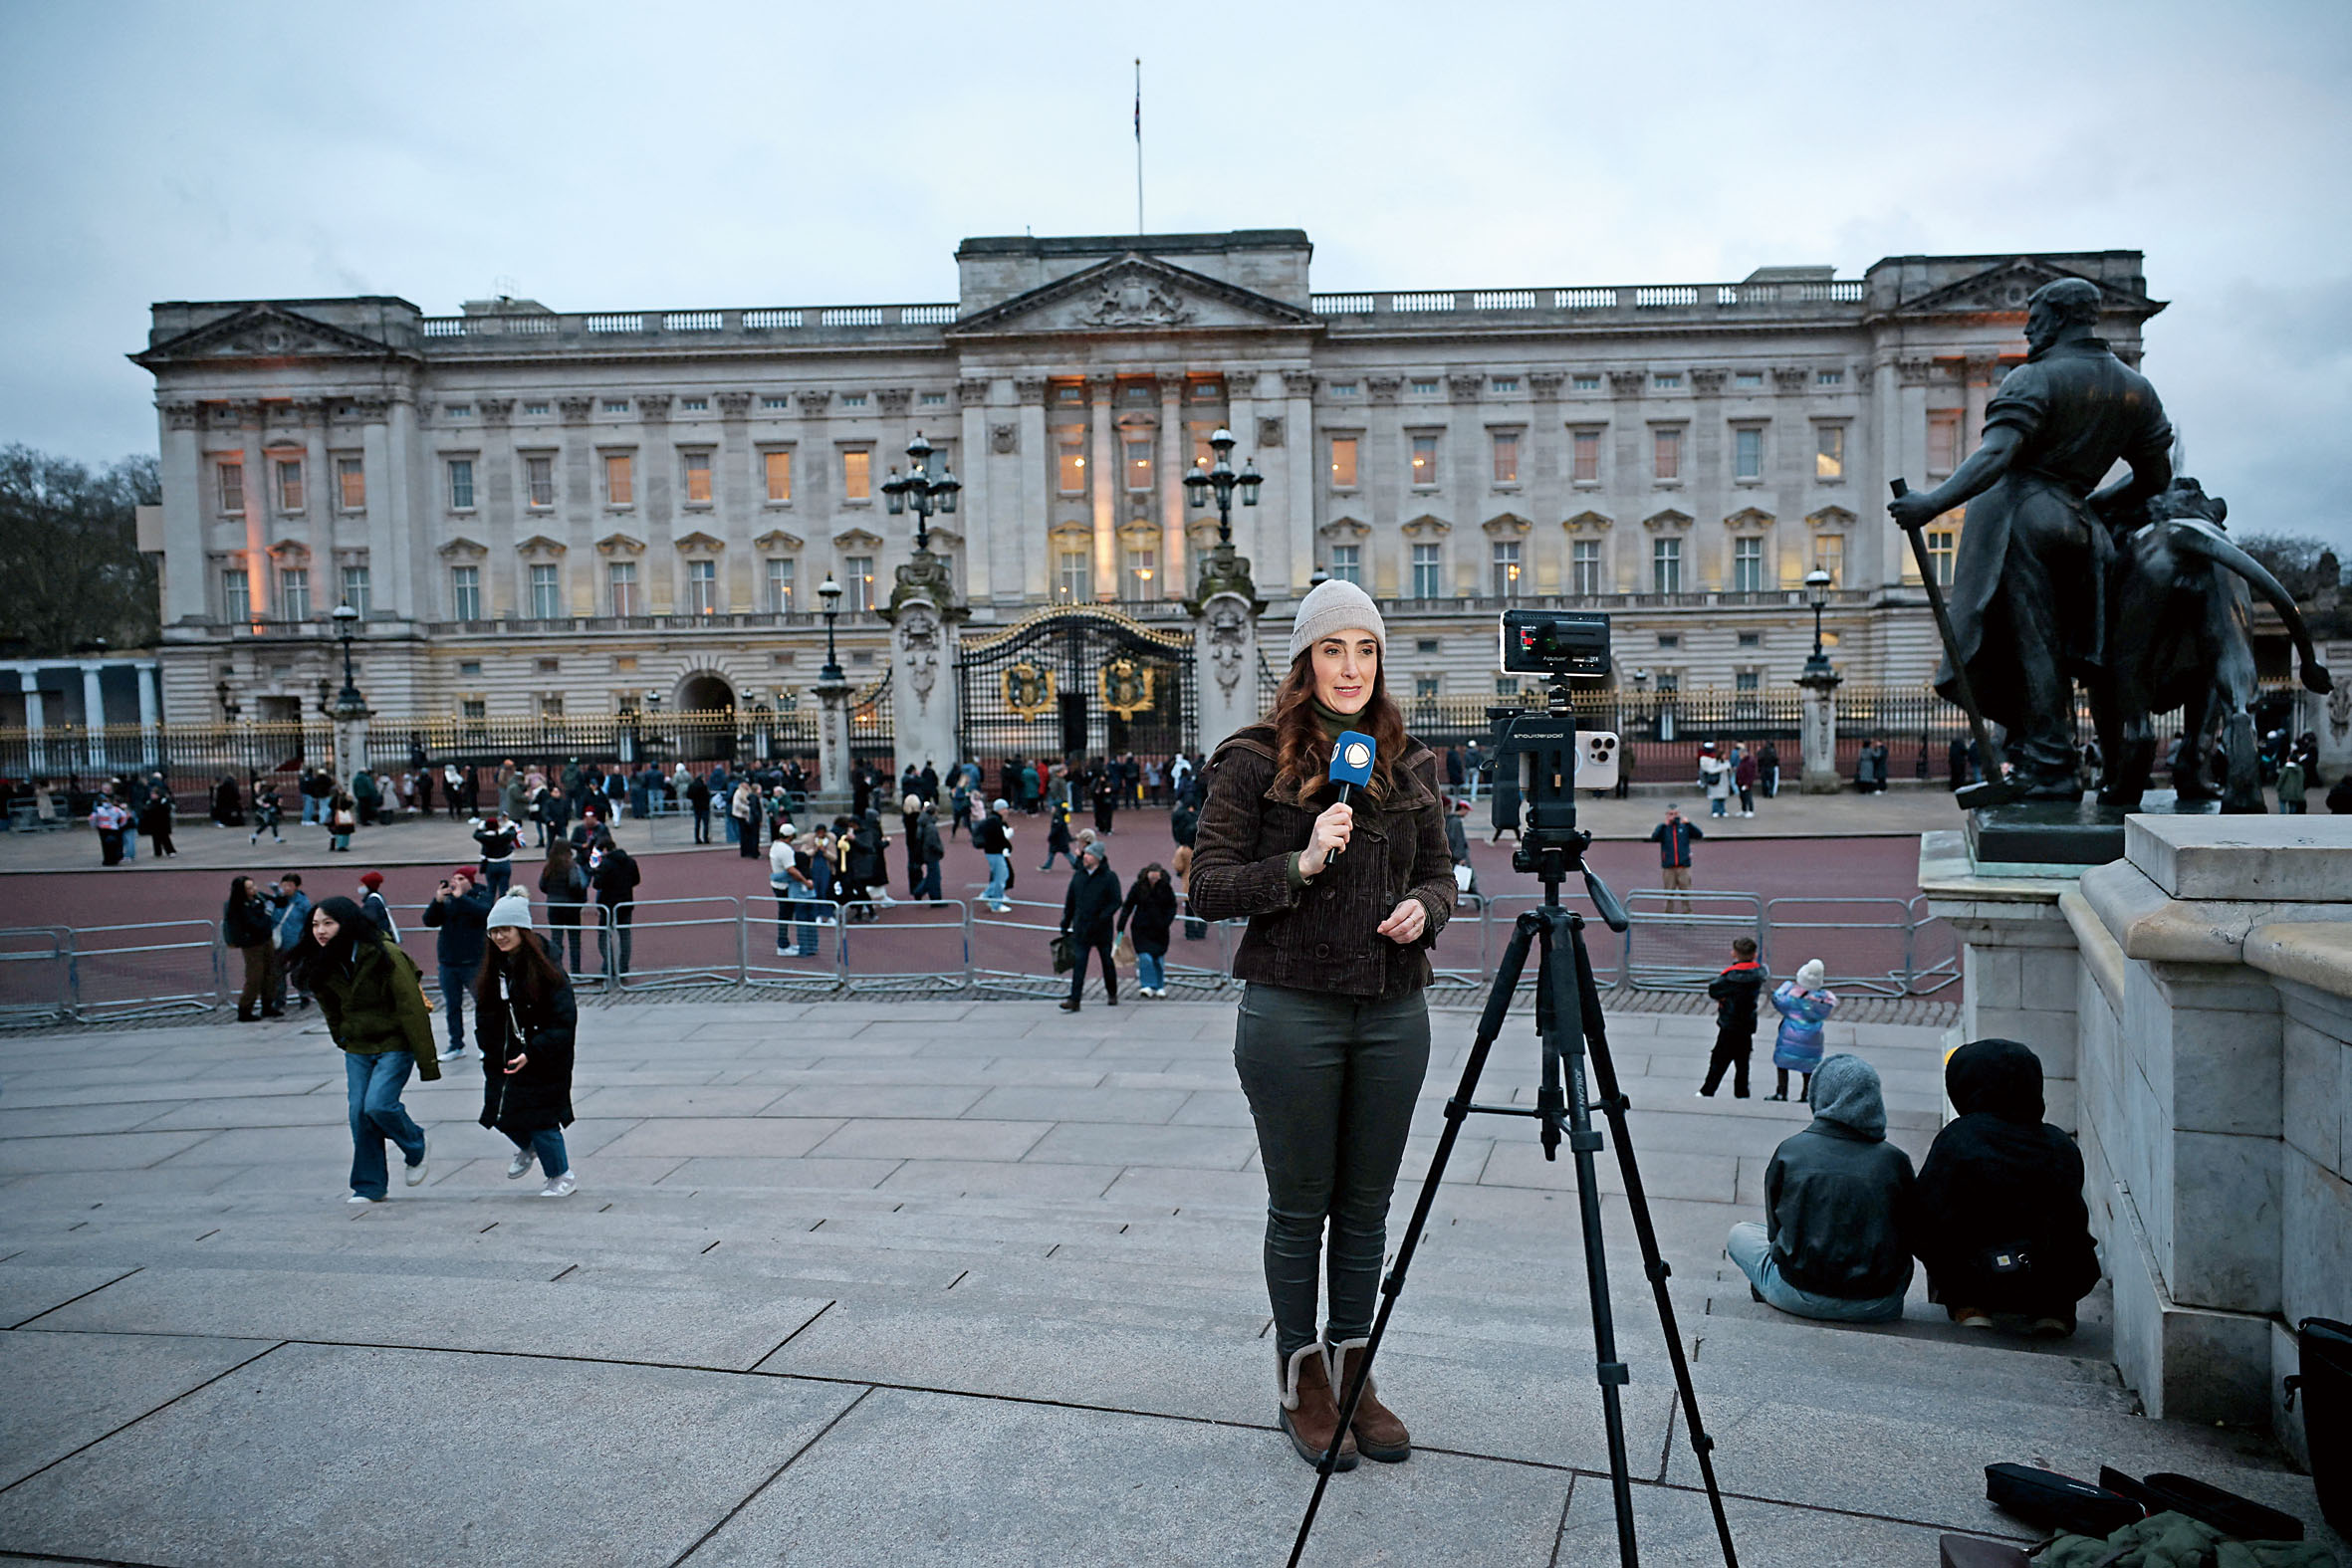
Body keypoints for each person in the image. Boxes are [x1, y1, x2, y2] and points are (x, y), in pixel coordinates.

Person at [1189, 576, 1456, 1471]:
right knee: (1301, 1207)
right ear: (1306, 659)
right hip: (1292, 1009)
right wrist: (1299, 861)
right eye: (1334, 648)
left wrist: (1425, 907)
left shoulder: (1411, 762)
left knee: (1368, 1209)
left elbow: (1444, 876)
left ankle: (1356, 1366)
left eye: (1365, 649)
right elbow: (1208, 883)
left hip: (1392, 1012)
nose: (1351, 667)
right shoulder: (1254, 759)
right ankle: (1301, 1377)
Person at [1888, 276, 2175, 800]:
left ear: (2062, 318)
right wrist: (2092, 505)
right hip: (2083, 529)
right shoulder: (2137, 389)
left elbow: (1997, 457)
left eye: (2036, 316)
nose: (2028, 326)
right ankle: (2061, 759)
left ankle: (2050, 767)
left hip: (2019, 517)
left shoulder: (2033, 378)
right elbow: (2156, 480)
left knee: (2032, 647)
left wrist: (1930, 504)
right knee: (2077, 651)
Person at [1913, 1039, 2100, 1336]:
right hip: (2050, 1275)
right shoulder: (2060, 1144)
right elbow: (2072, 1220)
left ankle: (1969, 1306)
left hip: (1978, 1274)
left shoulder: (1959, 1138)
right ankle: (2053, 1311)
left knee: (1936, 1227)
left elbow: (1925, 1214)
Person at [1726, 1053, 1915, 1323]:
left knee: (1740, 1234)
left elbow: (1774, 1231)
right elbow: (1909, 1233)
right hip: (1877, 1304)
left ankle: (1771, 1290)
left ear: (1821, 1095)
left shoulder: (1791, 1151)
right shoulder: (1895, 1161)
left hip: (1798, 1293)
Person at [296, 895, 439, 1204]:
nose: (320, 931)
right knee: (358, 1114)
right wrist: (343, 1038)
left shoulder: (384, 953)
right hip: (358, 1048)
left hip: (395, 1043)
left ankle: (416, 1143)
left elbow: (411, 1008)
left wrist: (427, 1061)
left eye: (328, 923)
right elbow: (331, 1009)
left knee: (378, 1105)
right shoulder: (323, 962)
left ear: (346, 923)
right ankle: (369, 1186)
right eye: (315, 924)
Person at [475, 894, 579, 1200]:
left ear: (523, 930)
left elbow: (563, 1020)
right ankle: (528, 1147)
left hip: (541, 1056)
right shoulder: (494, 969)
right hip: (503, 1055)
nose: (499, 936)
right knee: (499, 1113)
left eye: (506, 929)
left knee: (542, 1119)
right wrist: (487, 1049)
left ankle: (561, 1175)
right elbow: (485, 1014)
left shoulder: (547, 969)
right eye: (494, 931)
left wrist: (533, 1052)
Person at [422, 867, 493, 1059]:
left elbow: (485, 913)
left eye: (461, 878)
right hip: (448, 962)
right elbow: (429, 921)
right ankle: (455, 1045)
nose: (456, 882)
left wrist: (462, 898)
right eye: (454, 878)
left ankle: (487, 1044)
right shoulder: (448, 899)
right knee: (453, 1006)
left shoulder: (482, 894)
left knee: (483, 1004)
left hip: (473, 962)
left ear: (469, 881)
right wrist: (437, 901)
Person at [1058, 841, 1123, 1011]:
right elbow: (1070, 901)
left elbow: (1116, 901)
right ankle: (1075, 999)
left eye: (1089, 854)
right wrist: (1065, 922)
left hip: (1101, 928)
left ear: (1098, 858)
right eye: (1085, 854)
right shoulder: (1078, 876)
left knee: (1107, 962)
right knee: (1079, 963)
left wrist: (1103, 916)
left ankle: (1112, 993)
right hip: (1082, 927)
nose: (1085, 857)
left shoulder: (1109, 877)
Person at [1698, 935, 1764, 1098]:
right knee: (1743, 1063)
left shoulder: (1729, 977)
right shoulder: (1758, 974)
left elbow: (1714, 990)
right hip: (1747, 1024)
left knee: (1718, 1060)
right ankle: (1742, 1092)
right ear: (1754, 954)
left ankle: (1708, 1090)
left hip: (1729, 1023)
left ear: (1734, 954)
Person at [1768, 958, 1837, 1102]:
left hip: (1790, 1034)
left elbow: (1777, 999)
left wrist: (1787, 985)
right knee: (1809, 1068)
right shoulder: (1823, 1001)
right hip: (1813, 1037)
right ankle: (1806, 1094)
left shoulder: (1791, 997)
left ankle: (1781, 1092)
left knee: (1782, 1064)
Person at [223, 875, 284, 1022]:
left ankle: (267, 1005)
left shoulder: (259, 897)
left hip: (265, 939)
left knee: (270, 973)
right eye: (249, 888)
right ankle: (245, 1009)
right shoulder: (238, 906)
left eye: (253, 886)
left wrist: (278, 893)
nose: (254, 889)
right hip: (251, 944)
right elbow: (255, 924)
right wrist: (267, 913)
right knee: (255, 976)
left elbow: (279, 902)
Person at [1118, 861, 1178, 999]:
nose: (1154, 880)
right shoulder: (1138, 887)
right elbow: (1128, 905)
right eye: (1152, 877)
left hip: (1160, 929)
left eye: (1156, 878)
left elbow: (1172, 906)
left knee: (1158, 958)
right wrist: (1121, 924)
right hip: (1141, 928)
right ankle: (1147, 985)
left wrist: (1166, 921)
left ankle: (1159, 986)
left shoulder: (1166, 888)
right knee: (1145, 957)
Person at [590, 838, 640, 976]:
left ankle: (609, 965)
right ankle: (624, 966)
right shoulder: (630, 862)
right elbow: (636, 880)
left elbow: (597, 884)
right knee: (625, 935)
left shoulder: (605, 864)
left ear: (605, 850)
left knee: (604, 935)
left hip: (608, 904)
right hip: (625, 902)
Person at [539, 840, 588, 972]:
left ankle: (557, 968)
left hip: (554, 905)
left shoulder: (548, 866)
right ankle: (576, 969)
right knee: (574, 939)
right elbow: (574, 883)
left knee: (556, 938)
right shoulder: (571, 866)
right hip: (570, 906)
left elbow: (542, 885)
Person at [1649, 804, 1702, 914]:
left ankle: (1688, 915)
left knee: (1686, 893)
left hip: (1683, 867)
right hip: (1669, 867)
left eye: (1676, 814)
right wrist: (1663, 825)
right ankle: (1668, 914)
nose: (1674, 816)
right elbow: (1654, 838)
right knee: (1669, 893)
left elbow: (1699, 835)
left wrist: (1689, 823)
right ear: (1667, 815)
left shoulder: (1685, 827)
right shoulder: (1663, 828)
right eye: (1671, 814)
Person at [271, 873, 312, 1011]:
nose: (286, 887)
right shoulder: (276, 900)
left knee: (297, 973)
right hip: (278, 944)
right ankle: (279, 1000)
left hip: (296, 944)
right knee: (278, 973)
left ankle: (304, 995)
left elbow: (309, 923)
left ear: (297, 887)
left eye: (290, 885)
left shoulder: (303, 903)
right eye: (284, 884)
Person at [471, 808, 521, 899]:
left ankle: (489, 907)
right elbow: (513, 832)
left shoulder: (484, 837)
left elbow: (476, 834)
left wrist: (480, 826)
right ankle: (503, 907)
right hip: (504, 863)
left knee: (491, 888)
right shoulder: (505, 835)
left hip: (490, 864)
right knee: (504, 889)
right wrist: (508, 823)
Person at [975, 798, 1013, 912]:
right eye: (1005, 808)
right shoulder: (995, 822)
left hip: (993, 852)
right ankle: (996, 904)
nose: (1007, 811)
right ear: (1000, 809)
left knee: (1001, 876)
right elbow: (999, 838)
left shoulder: (994, 820)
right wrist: (1008, 846)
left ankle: (987, 894)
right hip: (995, 852)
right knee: (1001, 877)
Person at [912, 802, 945, 905]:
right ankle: (935, 899)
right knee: (935, 877)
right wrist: (940, 850)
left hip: (927, 854)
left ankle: (919, 891)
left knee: (932, 876)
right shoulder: (930, 827)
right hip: (932, 855)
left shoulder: (924, 823)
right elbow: (932, 843)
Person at [90, 793, 131, 866]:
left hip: (104, 829)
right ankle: (113, 859)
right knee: (113, 844)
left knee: (106, 845)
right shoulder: (115, 809)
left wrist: (94, 826)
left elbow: (92, 818)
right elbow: (124, 817)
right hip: (112, 829)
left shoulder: (99, 810)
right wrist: (120, 825)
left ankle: (107, 860)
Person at [138, 782, 177, 857]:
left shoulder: (163, 801)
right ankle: (157, 852)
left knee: (165, 837)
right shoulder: (150, 802)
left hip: (163, 822)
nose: (152, 795)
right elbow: (146, 810)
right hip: (154, 823)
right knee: (155, 838)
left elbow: (166, 809)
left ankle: (170, 851)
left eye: (154, 794)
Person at [356, 870, 396, 940]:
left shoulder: (372, 902)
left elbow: (370, 920)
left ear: (368, 886)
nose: (360, 887)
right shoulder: (377, 898)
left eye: (363, 884)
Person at [1040, 800, 1078, 871]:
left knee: (1064, 853)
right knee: (1055, 853)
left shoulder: (1057, 816)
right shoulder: (1060, 815)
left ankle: (1076, 864)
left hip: (1058, 839)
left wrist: (1051, 836)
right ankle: (1047, 865)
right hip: (1060, 839)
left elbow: (1056, 829)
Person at [1698, 742, 1732, 817]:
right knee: (1716, 798)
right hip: (1716, 783)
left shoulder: (1726, 762)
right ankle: (1715, 811)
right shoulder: (1713, 762)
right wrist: (1721, 768)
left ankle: (1722, 811)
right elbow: (1710, 770)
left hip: (1724, 782)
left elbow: (1729, 770)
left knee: (1722, 798)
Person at [327, 786, 358, 851]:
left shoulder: (333, 798)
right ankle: (341, 846)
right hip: (341, 817)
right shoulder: (342, 798)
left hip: (334, 816)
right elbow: (347, 806)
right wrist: (350, 800)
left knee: (334, 832)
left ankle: (332, 845)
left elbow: (330, 805)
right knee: (342, 832)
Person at [1734, 745, 1758, 818]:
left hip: (1745, 782)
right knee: (1742, 797)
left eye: (1740, 754)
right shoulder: (1743, 761)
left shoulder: (1749, 761)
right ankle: (1744, 810)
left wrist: (1747, 784)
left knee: (1747, 796)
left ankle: (1750, 810)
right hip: (1740, 782)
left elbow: (1750, 774)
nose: (1739, 756)